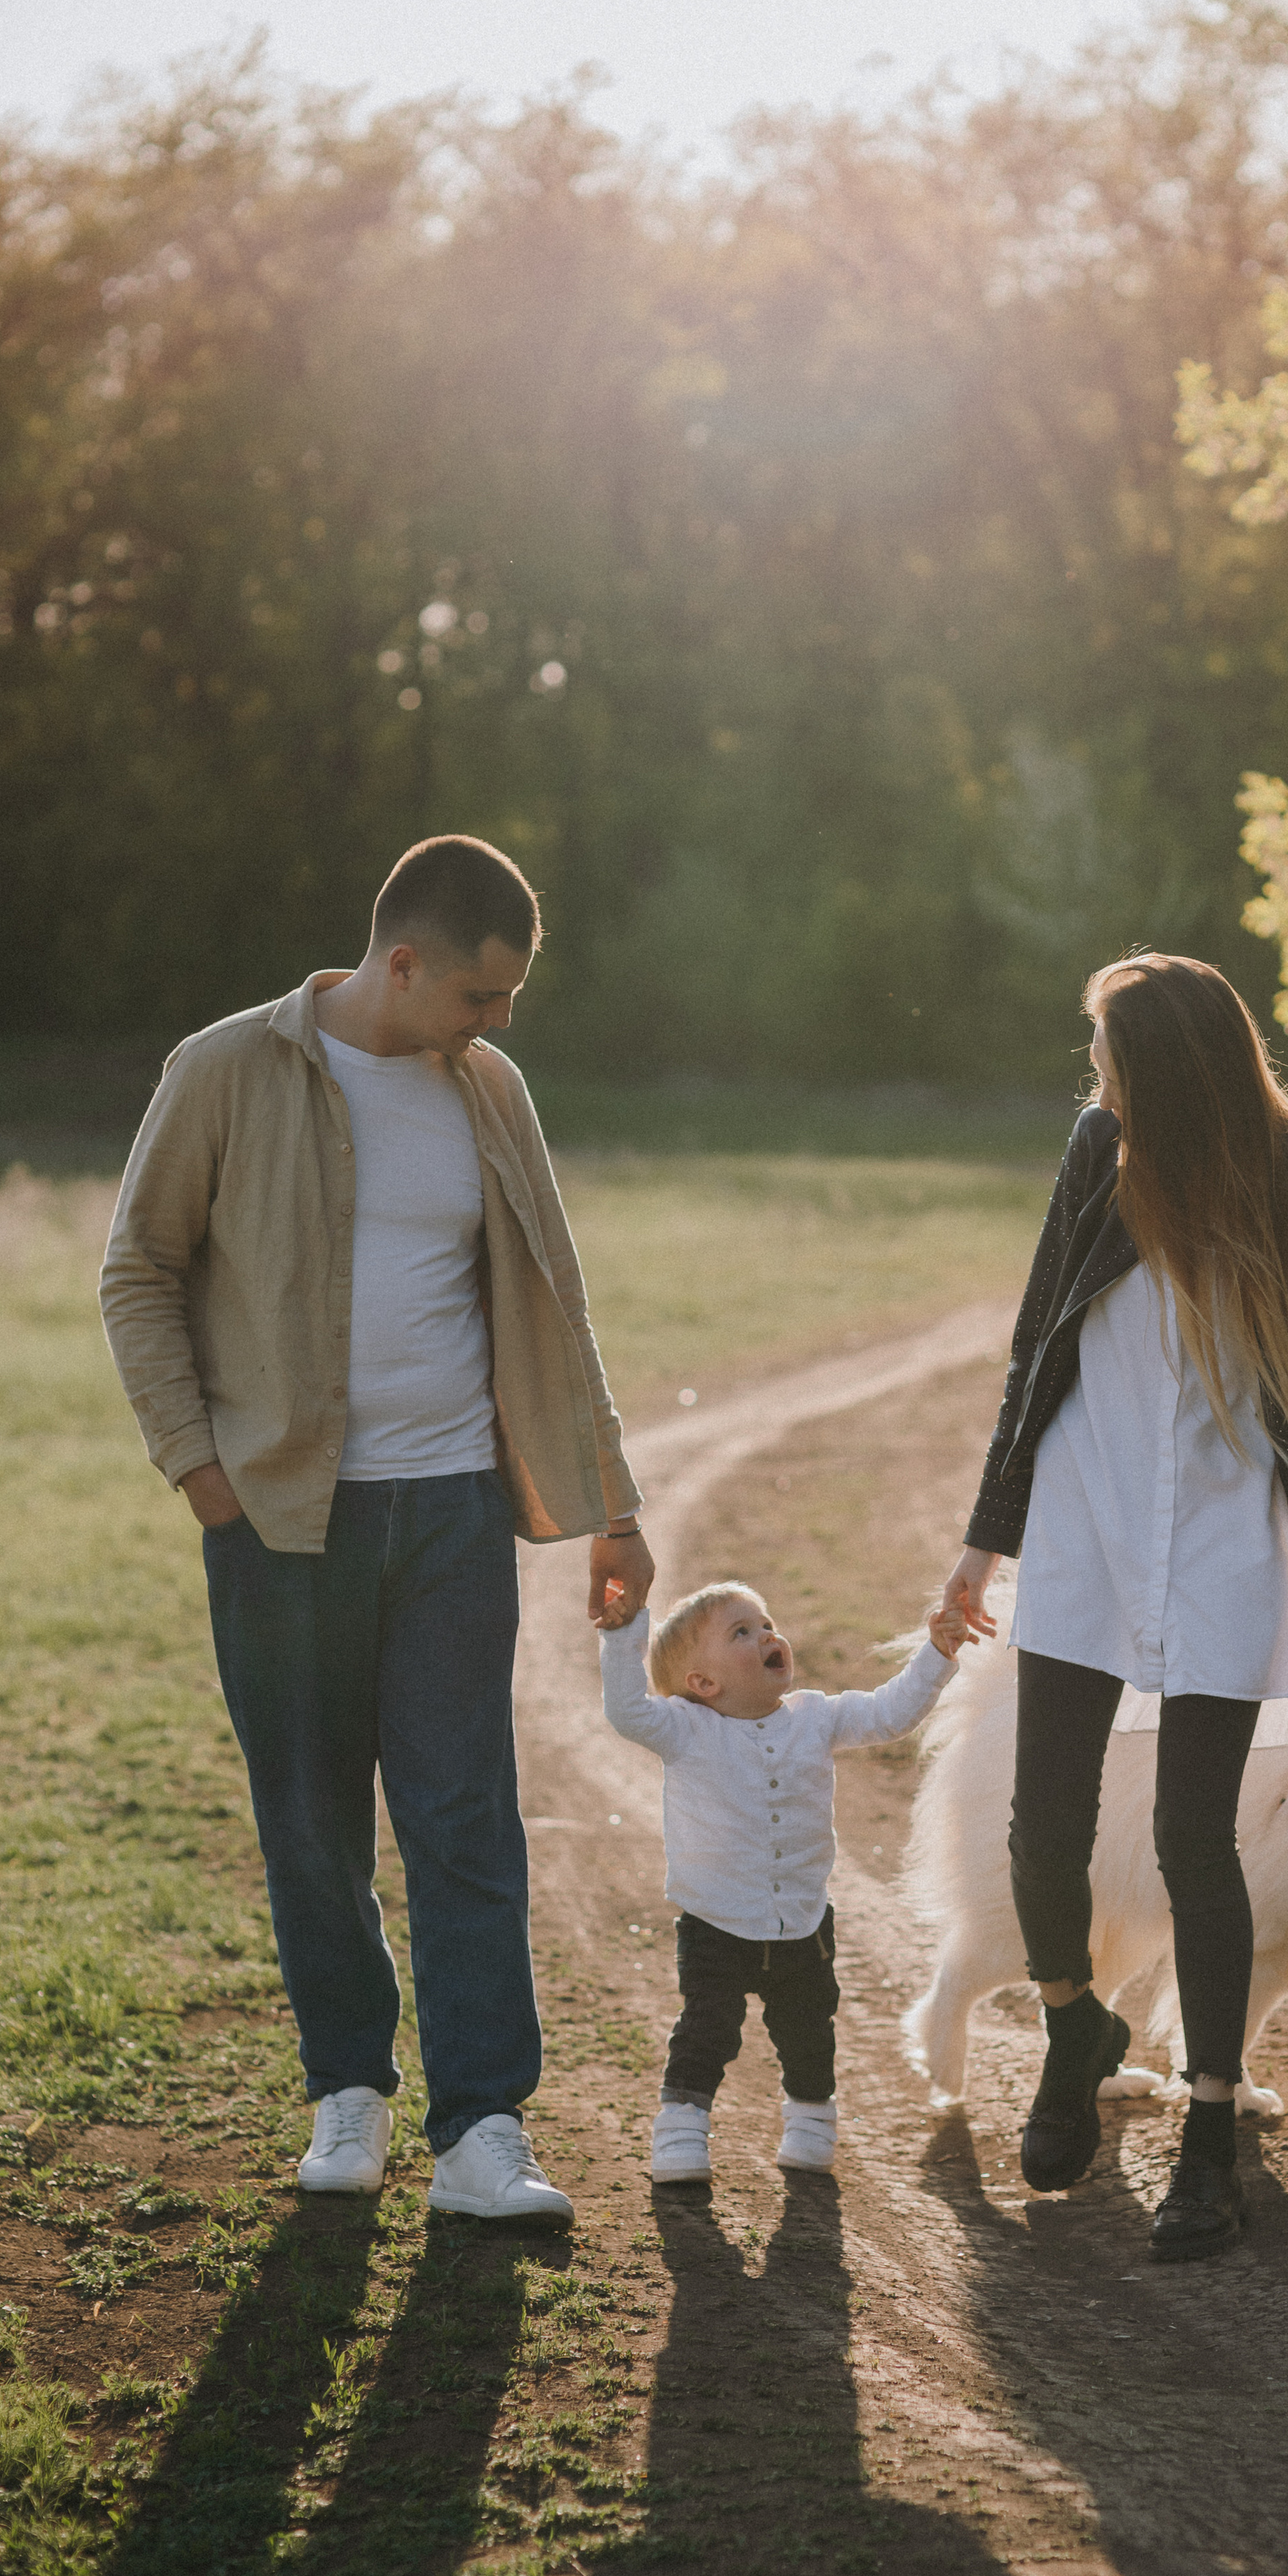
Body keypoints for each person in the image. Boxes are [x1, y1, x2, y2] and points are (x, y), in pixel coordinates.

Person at [100, 835, 653, 2224]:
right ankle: (349, 2084)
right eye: (482, 993)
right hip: (283, 1523)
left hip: (457, 1511)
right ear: (401, 964)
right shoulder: (225, 1070)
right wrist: (200, 1470)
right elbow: (138, 1269)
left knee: (464, 1818)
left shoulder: (489, 1090)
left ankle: (480, 2129)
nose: (501, 1020)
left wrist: (615, 1504)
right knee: (309, 1818)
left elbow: (553, 1297)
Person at [940, 953, 1288, 2262]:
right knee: (1043, 1826)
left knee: (1198, 1839)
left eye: (1114, 1057)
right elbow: (1039, 1348)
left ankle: (1207, 2129)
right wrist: (984, 1543)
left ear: (1172, 1071)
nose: (1098, 1081)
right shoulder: (1102, 1149)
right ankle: (1074, 2019)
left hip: (1221, 1539)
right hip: (1082, 1526)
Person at [600, 1580, 966, 2184]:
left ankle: (811, 2127)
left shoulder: (816, 1717)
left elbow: (890, 1713)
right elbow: (626, 1711)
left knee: (808, 2031)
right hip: (715, 1921)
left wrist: (937, 1653)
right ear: (703, 1684)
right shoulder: (685, 1729)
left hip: (801, 1920)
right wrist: (622, 1637)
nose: (767, 1636)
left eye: (765, 1623)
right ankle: (681, 2135)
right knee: (706, 2031)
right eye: (741, 1633)